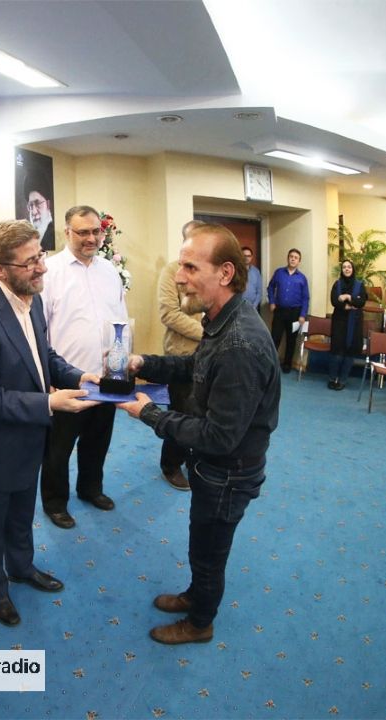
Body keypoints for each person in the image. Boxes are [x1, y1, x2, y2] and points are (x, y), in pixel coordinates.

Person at [117, 224, 280, 645]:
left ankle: (200, 623)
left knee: (209, 553)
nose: (179, 277)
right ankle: (195, 596)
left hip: (228, 472)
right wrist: (144, 363)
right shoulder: (223, 320)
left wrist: (150, 414)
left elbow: (219, 435)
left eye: (191, 267)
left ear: (225, 273)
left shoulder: (240, 343)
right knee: (201, 544)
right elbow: (194, 367)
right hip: (215, 468)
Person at [0, 219, 98, 627]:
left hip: (27, 439)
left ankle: (21, 567)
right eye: (30, 262)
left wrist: (78, 377)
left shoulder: (29, 296)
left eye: (41, 255)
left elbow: (42, 356)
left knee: (20, 514)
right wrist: (49, 402)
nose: (42, 267)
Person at [39, 206, 129, 528]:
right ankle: (55, 502)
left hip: (106, 377)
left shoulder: (109, 271)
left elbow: (121, 318)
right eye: (82, 232)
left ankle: (90, 489)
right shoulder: (50, 272)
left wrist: (122, 365)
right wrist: (47, 379)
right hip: (67, 382)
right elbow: (40, 331)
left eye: (95, 231)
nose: (91, 238)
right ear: (67, 232)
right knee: (58, 449)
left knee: (97, 441)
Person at [155, 220, 205, 491]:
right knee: (181, 413)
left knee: (203, 413)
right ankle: (171, 465)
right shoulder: (172, 271)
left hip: (211, 356)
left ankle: (194, 457)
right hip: (181, 355)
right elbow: (169, 314)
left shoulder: (211, 271)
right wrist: (209, 333)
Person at [266, 248, 309, 373]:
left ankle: (287, 364)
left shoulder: (302, 278)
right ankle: (271, 364)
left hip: (295, 313)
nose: (293, 259)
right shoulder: (279, 272)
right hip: (279, 311)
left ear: (299, 261)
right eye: (291, 256)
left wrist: (302, 315)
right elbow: (270, 287)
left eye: (296, 257)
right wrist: (272, 302)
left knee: (291, 340)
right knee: (275, 337)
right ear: (288, 258)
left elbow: (306, 298)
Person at [327, 259, 367, 390]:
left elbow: (361, 302)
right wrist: (347, 307)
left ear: (353, 269)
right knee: (337, 351)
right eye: (344, 267)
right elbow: (334, 301)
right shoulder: (337, 284)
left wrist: (348, 297)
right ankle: (332, 379)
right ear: (342, 270)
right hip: (339, 322)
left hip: (354, 323)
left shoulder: (360, 285)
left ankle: (342, 380)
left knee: (350, 352)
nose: (347, 269)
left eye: (349, 267)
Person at [22, 168, 55, 251]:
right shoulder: (27, 238)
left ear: (48, 204)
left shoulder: (51, 235)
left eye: (38, 203)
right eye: (30, 205)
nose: (34, 212)